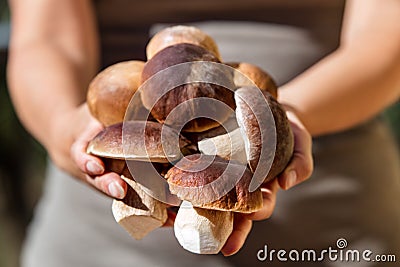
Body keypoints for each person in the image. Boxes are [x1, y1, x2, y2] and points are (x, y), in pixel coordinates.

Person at [6, 0, 400, 266]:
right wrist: (64, 127)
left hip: (335, 232)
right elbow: (46, 37)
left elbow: (386, 40)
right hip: (104, 238)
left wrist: (280, 117)